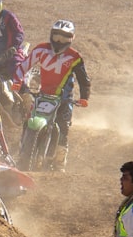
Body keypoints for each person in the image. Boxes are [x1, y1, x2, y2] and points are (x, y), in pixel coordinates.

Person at [13, 19, 91, 171]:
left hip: (64, 98)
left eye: (64, 38)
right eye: (56, 36)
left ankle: (59, 163)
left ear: (71, 38)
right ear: (51, 35)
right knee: (28, 119)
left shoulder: (75, 57)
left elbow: (84, 79)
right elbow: (23, 66)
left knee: (64, 126)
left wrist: (84, 97)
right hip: (43, 95)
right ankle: (22, 153)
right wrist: (18, 83)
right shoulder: (41, 49)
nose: (59, 41)